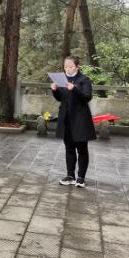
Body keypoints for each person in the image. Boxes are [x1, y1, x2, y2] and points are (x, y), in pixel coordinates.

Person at [51, 55, 96, 187]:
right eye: (65, 67)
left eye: (70, 66)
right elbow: (61, 98)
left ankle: (81, 178)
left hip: (81, 119)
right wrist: (55, 90)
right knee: (69, 148)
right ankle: (70, 176)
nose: (67, 69)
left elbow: (87, 97)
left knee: (82, 149)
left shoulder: (84, 79)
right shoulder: (62, 79)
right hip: (66, 119)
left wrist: (74, 89)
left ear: (77, 67)